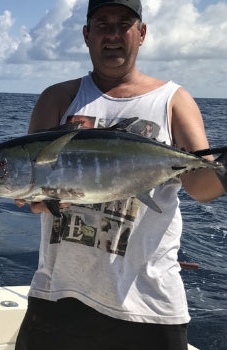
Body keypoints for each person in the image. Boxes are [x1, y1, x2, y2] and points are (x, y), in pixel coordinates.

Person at [15, 1, 226, 349]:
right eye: (102, 24)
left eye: (123, 24)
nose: (112, 34)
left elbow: (202, 187)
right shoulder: (57, 98)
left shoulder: (173, 100)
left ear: (141, 33)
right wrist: (38, 200)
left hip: (148, 305)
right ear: (86, 34)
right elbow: (35, 191)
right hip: (59, 295)